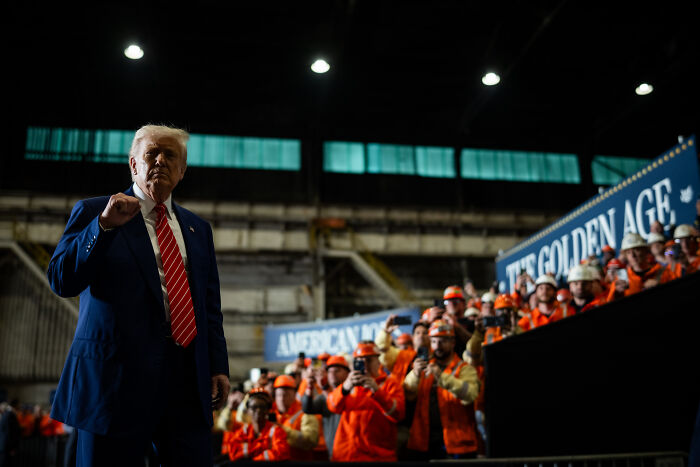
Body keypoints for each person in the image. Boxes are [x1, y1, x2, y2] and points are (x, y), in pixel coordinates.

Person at [46, 125, 230, 466]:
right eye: (151, 154)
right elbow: (61, 281)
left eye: (169, 155)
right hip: (113, 385)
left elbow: (208, 306)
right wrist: (102, 227)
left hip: (186, 384)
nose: (160, 160)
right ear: (134, 165)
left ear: (182, 170)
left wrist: (218, 365)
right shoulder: (94, 211)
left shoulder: (197, 228)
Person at [404, 320, 480, 459]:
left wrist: (442, 376)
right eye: (434, 341)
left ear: (452, 342)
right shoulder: (424, 367)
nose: (437, 346)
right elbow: (408, 392)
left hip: (458, 443)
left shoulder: (464, 369)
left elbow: (470, 394)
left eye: (443, 341)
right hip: (426, 443)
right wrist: (414, 374)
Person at [326, 341, 405, 461]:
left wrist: (377, 391)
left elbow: (398, 414)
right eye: (359, 361)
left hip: (378, 456)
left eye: (368, 360)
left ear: (378, 361)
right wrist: (345, 387)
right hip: (346, 455)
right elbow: (332, 407)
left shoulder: (390, 384)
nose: (364, 365)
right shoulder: (348, 385)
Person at [221, 388, 290, 462]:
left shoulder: (277, 432)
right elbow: (234, 452)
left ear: (268, 410)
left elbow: (280, 454)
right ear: (248, 411)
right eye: (254, 407)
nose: (258, 411)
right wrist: (263, 446)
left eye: (262, 407)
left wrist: (252, 460)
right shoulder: (243, 432)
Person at [301, 355, 350, 460]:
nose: (332, 374)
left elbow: (337, 403)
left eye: (337, 371)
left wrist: (324, 388)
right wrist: (309, 386)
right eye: (330, 371)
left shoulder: (353, 394)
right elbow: (307, 408)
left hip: (351, 453)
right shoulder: (324, 397)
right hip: (333, 454)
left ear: (347, 373)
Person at [608, 232, 674, 300]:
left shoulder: (664, 272)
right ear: (626, 256)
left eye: (636, 250)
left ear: (645, 250)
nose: (633, 255)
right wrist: (616, 293)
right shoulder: (621, 280)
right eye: (628, 252)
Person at [272, 375, 319, 461]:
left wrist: (282, 429)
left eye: (286, 395)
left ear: (294, 394)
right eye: (279, 395)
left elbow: (310, 440)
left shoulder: (305, 413)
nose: (282, 399)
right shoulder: (270, 412)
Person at [0, 401, 21, 467]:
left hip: (5, 445)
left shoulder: (7, 414)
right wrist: (12, 447)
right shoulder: (9, 415)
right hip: (7, 445)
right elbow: (10, 432)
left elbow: (9, 431)